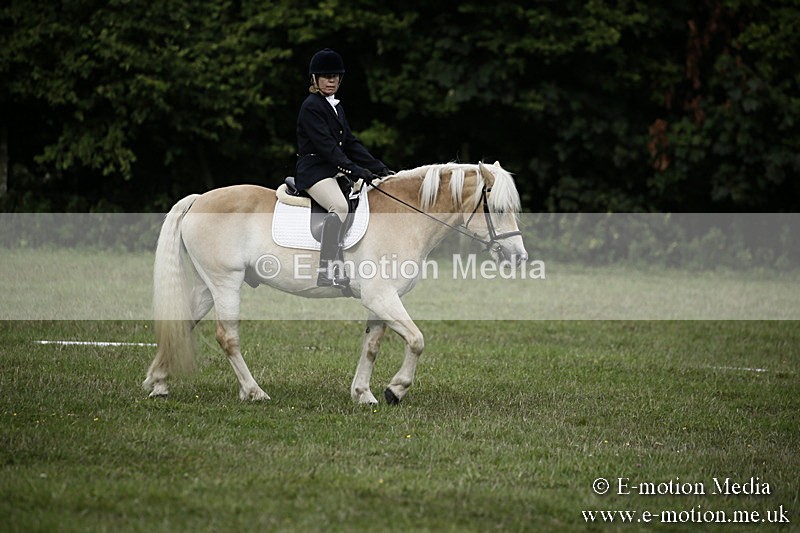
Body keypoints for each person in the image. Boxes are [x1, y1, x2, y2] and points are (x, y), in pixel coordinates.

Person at [295, 48, 393, 288]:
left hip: (332, 168)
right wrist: (355, 170)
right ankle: (327, 269)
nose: (332, 81)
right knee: (338, 206)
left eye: (336, 76)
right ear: (315, 79)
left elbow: (350, 143)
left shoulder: (335, 106)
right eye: (327, 76)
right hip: (314, 170)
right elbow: (328, 148)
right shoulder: (311, 107)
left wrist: (380, 169)